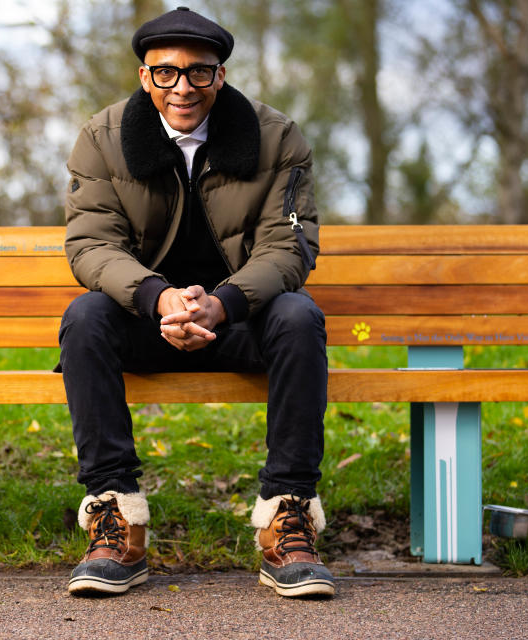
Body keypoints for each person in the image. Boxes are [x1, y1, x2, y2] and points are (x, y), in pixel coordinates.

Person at [58, 6, 333, 598]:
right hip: (144, 323)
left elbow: (290, 246)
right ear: (144, 77)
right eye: (165, 73)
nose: (182, 87)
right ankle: (116, 521)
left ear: (221, 75)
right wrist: (160, 300)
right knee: (84, 317)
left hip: (242, 323)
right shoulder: (101, 139)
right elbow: (91, 245)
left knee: (299, 314)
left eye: (199, 73)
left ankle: (287, 516)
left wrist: (223, 303)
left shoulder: (277, 137)